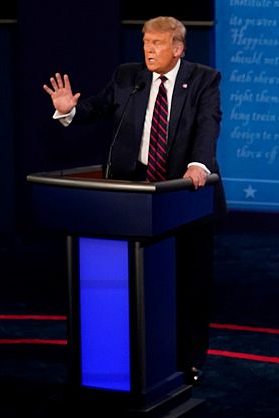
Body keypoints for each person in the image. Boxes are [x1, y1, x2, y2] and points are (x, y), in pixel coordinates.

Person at [42, 16, 224, 385]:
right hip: (136, 199)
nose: (148, 50)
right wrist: (69, 110)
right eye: (145, 42)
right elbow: (97, 107)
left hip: (185, 195)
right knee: (137, 282)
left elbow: (208, 123)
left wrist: (198, 164)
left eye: (157, 43)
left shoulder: (204, 79)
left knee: (190, 282)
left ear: (178, 48)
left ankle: (189, 360)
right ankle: (139, 353)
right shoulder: (129, 76)